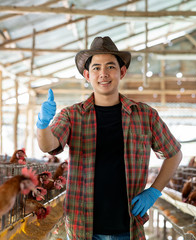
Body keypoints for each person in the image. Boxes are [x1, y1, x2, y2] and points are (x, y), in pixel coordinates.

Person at [36, 36, 182, 240]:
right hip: (83, 228)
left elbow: (174, 154)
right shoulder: (72, 115)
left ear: (121, 72)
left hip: (129, 226)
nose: (103, 74)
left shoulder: (145, 115)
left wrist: (154, 191)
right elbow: (48, 145)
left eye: (110, 67)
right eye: (96, 68)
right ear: (87, 75)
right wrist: (43, 125)